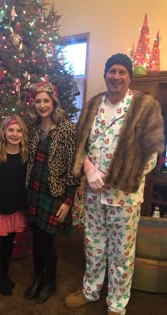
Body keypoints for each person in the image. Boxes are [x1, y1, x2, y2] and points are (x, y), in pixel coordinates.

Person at [64, 53, 165, 315]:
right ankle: (90, 290)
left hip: (125, 197)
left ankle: (117, 304)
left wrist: (119, 178)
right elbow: (80, 146)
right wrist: (88, 170)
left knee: (122, 253)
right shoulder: (93, 105)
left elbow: (152, 155)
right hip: (94, 194)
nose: (116, 76)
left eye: (122, 71)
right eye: (112, 71)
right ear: (105, 74)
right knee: (94, 245)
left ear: (129, 76)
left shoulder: (145, 106)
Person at [24, 81, 77, 303]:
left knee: (47, 241)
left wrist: (68, 201)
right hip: (34, 190)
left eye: (46, 100)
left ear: (53, 102)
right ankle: (37, 277)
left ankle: (49, 281)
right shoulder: (34, 127)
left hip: (54, 195)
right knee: (36, 238)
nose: (42, 105)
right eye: (38, 101)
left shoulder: (67, 128)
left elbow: (74, 167)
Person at [0, 114, 28, 296]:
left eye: (18, 130)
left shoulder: (25, 155)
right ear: (4, 132)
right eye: (10, 130)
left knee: (10, 241)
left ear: (23, 133)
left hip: (16, 205)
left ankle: (5, 270)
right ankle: (0, 276)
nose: (14, 134)